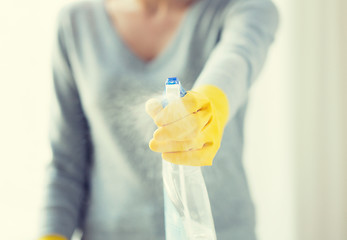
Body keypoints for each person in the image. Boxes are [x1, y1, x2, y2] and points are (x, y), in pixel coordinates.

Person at [38, 0, 278, 239]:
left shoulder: (243, 8)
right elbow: (66, 164)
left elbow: (236, 60)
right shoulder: (76, 24)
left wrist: (209, 106)